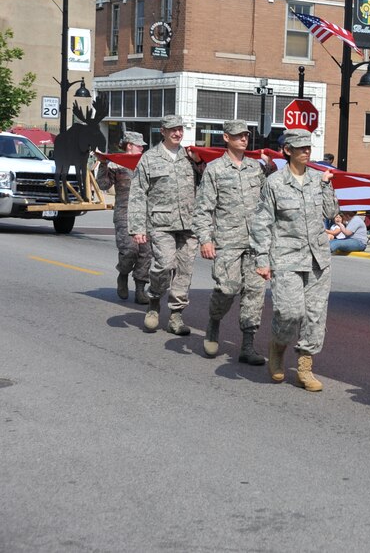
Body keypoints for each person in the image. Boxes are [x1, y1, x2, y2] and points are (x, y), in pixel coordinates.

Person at [251, 130, 339, 392]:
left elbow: (331, 212)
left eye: (308, 147)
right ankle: (277, 347)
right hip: (286, 258)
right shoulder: (275, 183)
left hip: (317, 259)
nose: (306, 151)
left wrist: (326, 185)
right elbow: (262, 222)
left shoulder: (317, 179)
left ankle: (304, 368)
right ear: (287, 150)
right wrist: (262, 259)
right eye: (300, 148)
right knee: (289, 312)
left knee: (314, 317)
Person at [192, 119, 274, 364]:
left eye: (246, 135)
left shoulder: (257, 168)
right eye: (238, 135)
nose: (243, 139)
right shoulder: (215, 169)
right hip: (227, 241)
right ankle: (214, 322)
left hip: (256, 243)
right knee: (227, 289)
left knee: (255, 293)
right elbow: (203, 208)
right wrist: (205, 239)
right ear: (226, 137)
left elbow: (268, 200)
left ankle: (247, 345)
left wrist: (272, 169)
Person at [128, 115, 205, 335]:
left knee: (184, 270)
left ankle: (176, 316)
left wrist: (199, 162)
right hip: (161, 223)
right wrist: (138, 228)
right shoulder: (149, 158)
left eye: (180, 129)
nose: (177, 133)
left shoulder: (190, 157)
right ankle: (153, 302)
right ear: (162, 131)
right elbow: (138, 194)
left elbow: (207, 183)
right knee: (164, 264)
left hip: (189, 224)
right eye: (172, 129)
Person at [95, 131, 151, 305]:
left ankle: (140, 289)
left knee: (145, 252)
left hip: (145, 214)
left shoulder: (147, 164)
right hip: (124, 213)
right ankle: (123, 273)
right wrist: (103, 164)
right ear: (129, 146)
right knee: (129, 250)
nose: (142, 148)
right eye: (139, 145)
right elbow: (103, 185)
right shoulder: (115, 165)